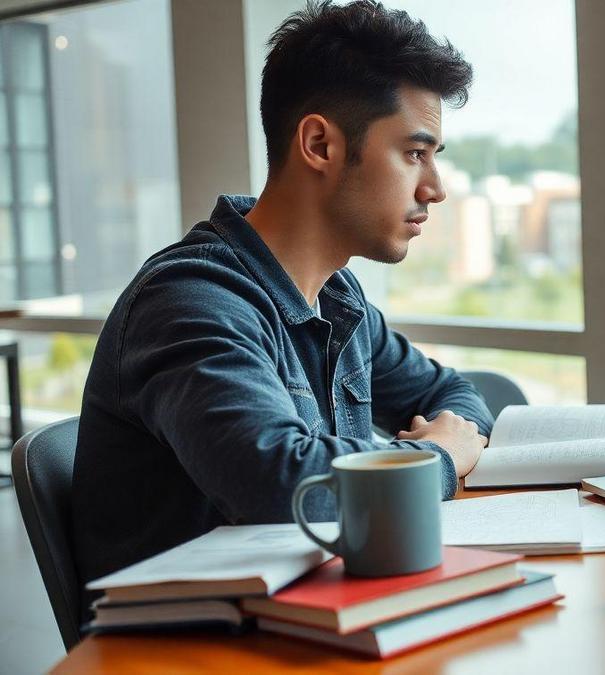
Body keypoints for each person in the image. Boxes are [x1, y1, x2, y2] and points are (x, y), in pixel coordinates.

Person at [71, 0, 490, 614]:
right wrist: (440, 459)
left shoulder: (338, 298)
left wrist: (445, 437)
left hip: (321, 615)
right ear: (319, 144)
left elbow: (454, 395)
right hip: (202, 653)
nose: (436, 188)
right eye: (413, 153)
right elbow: (288, 487)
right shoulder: (190, 301)